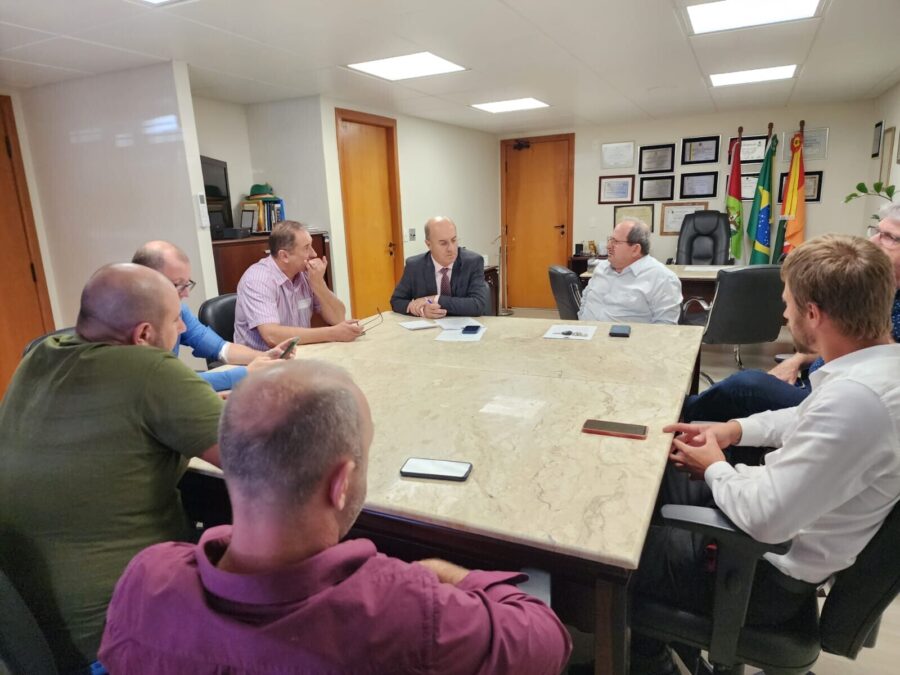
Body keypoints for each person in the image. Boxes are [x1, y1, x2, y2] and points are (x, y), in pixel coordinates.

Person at [100, 360, 572, 674]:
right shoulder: (403, 609)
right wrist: (450, 574)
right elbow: (548, 641)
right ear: (341, 481)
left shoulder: (145, 580)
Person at [630, 235, 900, 674]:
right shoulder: (877, 369)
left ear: (814, 314)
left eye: (789, 304)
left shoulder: (858, 401)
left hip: (761, 575)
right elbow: (802, 421)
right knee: (664, 470)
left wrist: (715, 466)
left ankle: (648, 659)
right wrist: (733, 430)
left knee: (626, 543)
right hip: (780, 536)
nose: (784, 313)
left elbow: (766, 517)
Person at [0, 263, 224, 673]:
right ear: (143, 335)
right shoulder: (152, 370)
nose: (181, 329)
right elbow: (260, 460)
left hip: (29, 637)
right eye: (176, 320)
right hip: (119, 638)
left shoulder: (39, 355)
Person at [682, 202, 900, 423]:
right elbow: (846, 335)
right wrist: (797, 359)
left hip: (831, 396)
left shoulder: (857, 396)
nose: (872, 241)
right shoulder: (883, 289)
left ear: (812, 312)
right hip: (819, 380)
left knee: (746, 386)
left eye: (889, 237)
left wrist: (715, 457)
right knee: (744, 392)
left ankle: (677, 413)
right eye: (877, 231)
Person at [132, 240, 270, 392]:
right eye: (179, 284)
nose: (186, 293)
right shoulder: (126, 324)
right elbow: (166, 383)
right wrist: (246, 373)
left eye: (187, 283)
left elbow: (219, 348)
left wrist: (265, 358)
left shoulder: (180, 310)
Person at [234, 220, 362, 349]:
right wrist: (332, 333)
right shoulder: (258, 280)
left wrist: (319, 283)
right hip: (258, 362)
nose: (314, 254)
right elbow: (272, 337)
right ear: (284, 256)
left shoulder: (305, 273)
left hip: (297, 354)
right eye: (306, 248)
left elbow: (338, 318)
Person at [578, 219, 682, 324]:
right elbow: (586, 297)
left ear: (635, 249)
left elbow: (665, 327)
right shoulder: (601, 267)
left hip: (623, 339)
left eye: (615, 242)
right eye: (610, 240)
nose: (608, 246)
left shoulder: (662, 278)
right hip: (584, 335)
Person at [390, 216, 490, 318]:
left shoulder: (473, 262)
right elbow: (396, 301)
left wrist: (435, 299)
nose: (451, 248)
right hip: (429, 330)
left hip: (465, 328)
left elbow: (478, 305)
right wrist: (422, 310)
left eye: (454, 240)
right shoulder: (415, 266)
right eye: (443, 243)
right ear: (428, 244)